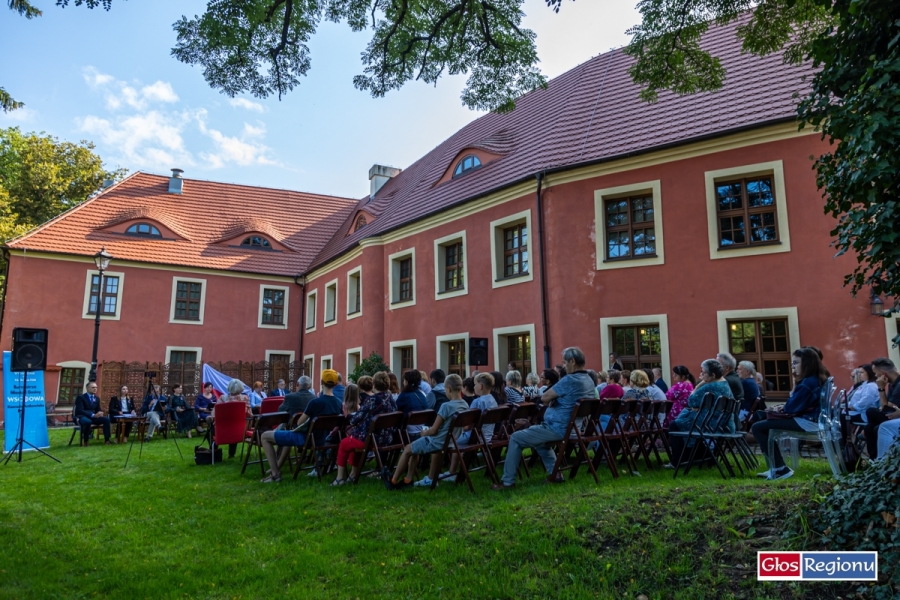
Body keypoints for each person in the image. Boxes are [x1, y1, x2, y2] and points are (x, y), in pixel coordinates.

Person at [493, 347, 595, 490]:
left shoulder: (570, 380)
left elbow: (545, 397)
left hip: (558, 427)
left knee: (516, 438)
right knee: (540, 442)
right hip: (575, 428)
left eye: (565, 363)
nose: (564, 366)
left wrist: (554, 400)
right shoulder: (589, 379)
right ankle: (556, 474)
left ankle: (508, 481)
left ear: (573, 361)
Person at [751, 348, 826, 479]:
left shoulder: (807, 383)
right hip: (811, 420)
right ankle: (776, 468)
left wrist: (781, 408)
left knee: (757, 427)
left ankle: (779, 468)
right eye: (792, 363)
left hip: (806, 422)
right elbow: (795, 405)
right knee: (762, 422)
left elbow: (791, 408)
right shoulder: (814, 379)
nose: (793, 366)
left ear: (807, 364)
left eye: (796, 363)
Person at [383, 374, 470, 489]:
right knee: (414, 449)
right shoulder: (465, 404)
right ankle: (408, 480)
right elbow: (465, 427)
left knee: (408, 449)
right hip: (451, 441)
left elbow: (434, 430)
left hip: (437, 441)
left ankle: (393, 481)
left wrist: (424, 433)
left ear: (448, 388)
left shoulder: (446, 406)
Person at [259, 375, 344, 482]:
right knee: (286, 433)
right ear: (336, 384)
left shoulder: (314, 402)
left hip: (307, 439)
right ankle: (276, 468)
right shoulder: (338, 402)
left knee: (265, 436)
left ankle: (275, 474)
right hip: (326, 440)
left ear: (321, 382)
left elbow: (299, 422)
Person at [333, 371, 397, 485]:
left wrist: (353, 420)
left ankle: (340, 478)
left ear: (374, 385)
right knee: (353, 442)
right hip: (387, 438)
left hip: (371, 439)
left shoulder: (372, 400)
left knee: (344, 444)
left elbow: (355, 419)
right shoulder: (391, 399)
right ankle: (353, 475)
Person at [668, 359, 735, 467]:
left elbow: (691, 401)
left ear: (713, 375)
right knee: (682, 424)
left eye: (703, 373)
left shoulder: (710, 386)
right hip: (722, 423)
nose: (701, 375)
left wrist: (699, 385)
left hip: (712, 424)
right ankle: (701, 456)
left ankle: (678, 461)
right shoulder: (724, 383)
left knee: (675, 425)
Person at [446, 373, 498, 480]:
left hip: (474, 437)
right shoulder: (493, 400)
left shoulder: (477, 402)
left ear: (481, 386)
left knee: (451, 439)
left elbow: (467, 426)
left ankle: (451, 473)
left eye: (475, 384)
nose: (473, 387)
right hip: (486, 436)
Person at [864, 357, 900, 459]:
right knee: (869, 427)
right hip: (893, 417)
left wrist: (881, 388)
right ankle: (874, 460)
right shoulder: (893, 384)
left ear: (883, 373)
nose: (875, 376)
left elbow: (886, 407)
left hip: (896, 419)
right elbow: (885, 407)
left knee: (871, 412)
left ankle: (879, 461)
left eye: (876, 373)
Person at [209, 379, 252, 458]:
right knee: (235, 425)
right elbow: (250, 415)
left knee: (212, 428)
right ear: (240, 387)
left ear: (229, 387)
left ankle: (213, 453)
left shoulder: (222, 398)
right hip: (240, 430)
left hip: (222, 430)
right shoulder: (245, 398)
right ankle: (231, 454)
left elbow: (214, 414)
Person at [74, 381, 112, 446]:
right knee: (88, 422)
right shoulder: (81, 398)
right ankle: (86, 441)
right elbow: (80, 410)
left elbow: (98, 408)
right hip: (83, 416)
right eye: (93, 387)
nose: (95, 389)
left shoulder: (97, 398)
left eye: (96, 387)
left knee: (106, 419)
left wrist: (100, 412)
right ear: (87, 388)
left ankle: (107, 440)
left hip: (93, 417)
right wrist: (92, 415)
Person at [396, 370, 430, 439]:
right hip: (423, 432)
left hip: (409, 434)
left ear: (407, 382)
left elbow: (396, 410)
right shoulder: (422, 394)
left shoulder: (404, 395)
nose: (403, 383)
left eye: (404, 380)